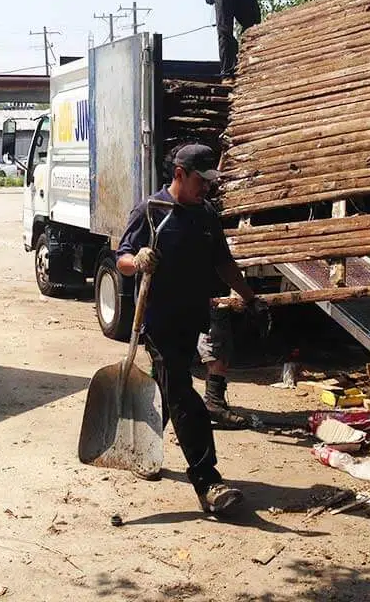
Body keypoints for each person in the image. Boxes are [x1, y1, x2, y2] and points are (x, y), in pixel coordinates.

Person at [115, 143, 268, 514]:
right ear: (179, 174)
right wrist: (136, 260)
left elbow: (224, 263)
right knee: (183, 395)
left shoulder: (206, 216)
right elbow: (120, 258)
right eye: (202, 181)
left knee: (166, 387)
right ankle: (207, 481)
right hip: (156, 321)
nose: (207, 189)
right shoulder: (152, 211)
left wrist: (250, 297)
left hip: (191, 320)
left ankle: (142, 450)